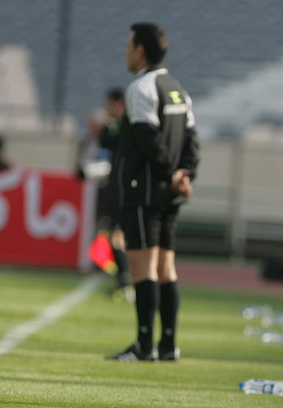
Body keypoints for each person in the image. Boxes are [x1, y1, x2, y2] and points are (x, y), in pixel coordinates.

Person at [108, 22, 199, 362]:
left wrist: (172, 174)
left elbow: (149, 141)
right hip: (171, 195)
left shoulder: (141, 88)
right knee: (167, 269)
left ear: (140, 50)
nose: (126, 51)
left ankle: (145, 346)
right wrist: (186, 174)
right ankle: (168, 345)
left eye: (128, 45)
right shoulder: (177, 89)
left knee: (144, 269)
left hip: (145, 193)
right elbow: (192, 141)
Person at [99, 87, 133, 300]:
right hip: (116, 186)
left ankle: (126, 279)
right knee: (113, 233)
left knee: (118, 234)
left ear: (118, 103)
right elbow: (105, 141)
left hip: (123, 187)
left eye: (108, 104)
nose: (106, 108)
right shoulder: (117, 127)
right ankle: (123, 278)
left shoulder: (128, 126)